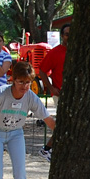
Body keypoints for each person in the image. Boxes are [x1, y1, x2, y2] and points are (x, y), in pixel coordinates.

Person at [36, 23, 70, 160]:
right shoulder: (55, 52)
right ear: (62, 36)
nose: (69, 36)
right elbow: (42, 71)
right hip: (60, 94)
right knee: (64, 124)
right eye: (67, 34)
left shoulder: (79, 51)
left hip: (73, 95)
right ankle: (47, 149)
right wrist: (51, 88)